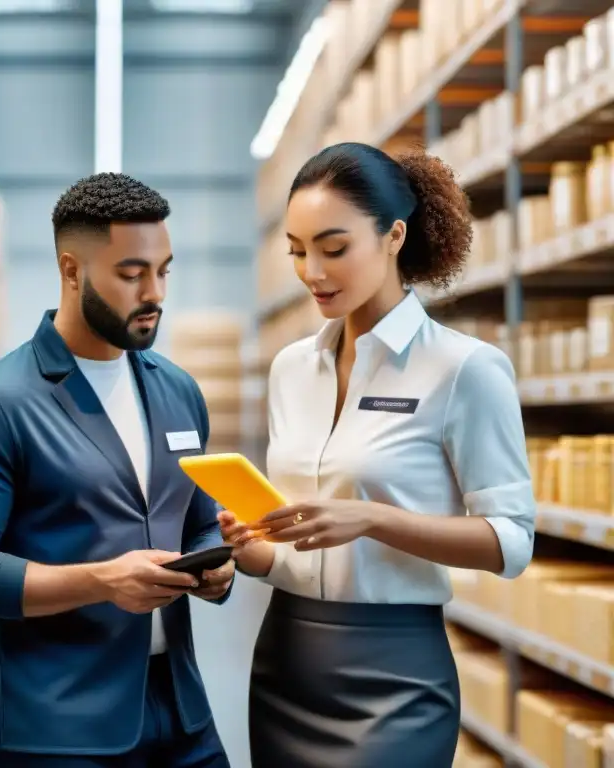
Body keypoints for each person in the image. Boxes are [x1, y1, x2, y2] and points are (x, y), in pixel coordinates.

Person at [220, 142, 536, 767]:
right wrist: (252, 548)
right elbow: (288, 550)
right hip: (286, 658)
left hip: (396, 672)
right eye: (297, 250)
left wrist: (371, 518)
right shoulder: (291, 369)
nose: (312, 271)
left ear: (395, 236)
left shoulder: (464, 370)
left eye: (334, 248)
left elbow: (512, 543)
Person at [0, 172, 235, 768]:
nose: (155, 292)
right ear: (72, 271)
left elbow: (198, 523)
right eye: (131, 273)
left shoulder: (177, 391)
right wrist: (101, 581)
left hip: (181, 712)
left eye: (164, 270)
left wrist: (215, 567)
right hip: (61, 728)